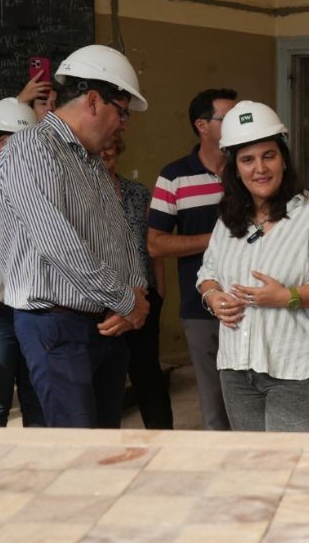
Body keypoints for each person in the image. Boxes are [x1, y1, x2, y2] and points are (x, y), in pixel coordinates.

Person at [0, 44, 150, 428]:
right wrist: (125, 299)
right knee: (74, 449)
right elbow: (60, 245)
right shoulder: (29, 150)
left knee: (105, 444)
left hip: (106, 324)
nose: (124, 124)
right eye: (122, 111)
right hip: (56, 328)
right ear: (94, 101)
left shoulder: (91, 161)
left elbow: (121, 236)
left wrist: (137, 293)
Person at [196, 101, 309, 432]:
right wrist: (212, 296)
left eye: (269, 156)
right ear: (235, 168)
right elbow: (208, 271)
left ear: (284, 160)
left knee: (287, 468)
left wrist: (288, 297)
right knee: (255, 469)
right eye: (247, 160)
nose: (259, 168)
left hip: (298, 370)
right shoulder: (229, 219)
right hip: (237, 368)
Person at [148, 88, 237, 430]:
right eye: (226, 118)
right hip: (201, 308)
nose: (236, 124)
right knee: (214, 403)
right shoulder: (174, 176)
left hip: (255, 302)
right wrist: (215, 240)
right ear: (202, 125)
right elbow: (155, 244)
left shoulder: (247, 169)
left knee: (250, 396)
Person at [0, 98, 44, 427]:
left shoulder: (44, 190)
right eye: (5, 142)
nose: (14, 150)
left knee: (39, 405)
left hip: (36, 309)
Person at [100, 135, 173, 429]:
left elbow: (152, 242)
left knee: (148, 374)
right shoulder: (83, 194)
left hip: (144, 296)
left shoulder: (137, 193)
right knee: (109, 375)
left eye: (112, 146)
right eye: (101, 146)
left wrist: (160, 286)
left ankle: (163, 439)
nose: (106, 151)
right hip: (107, 303)